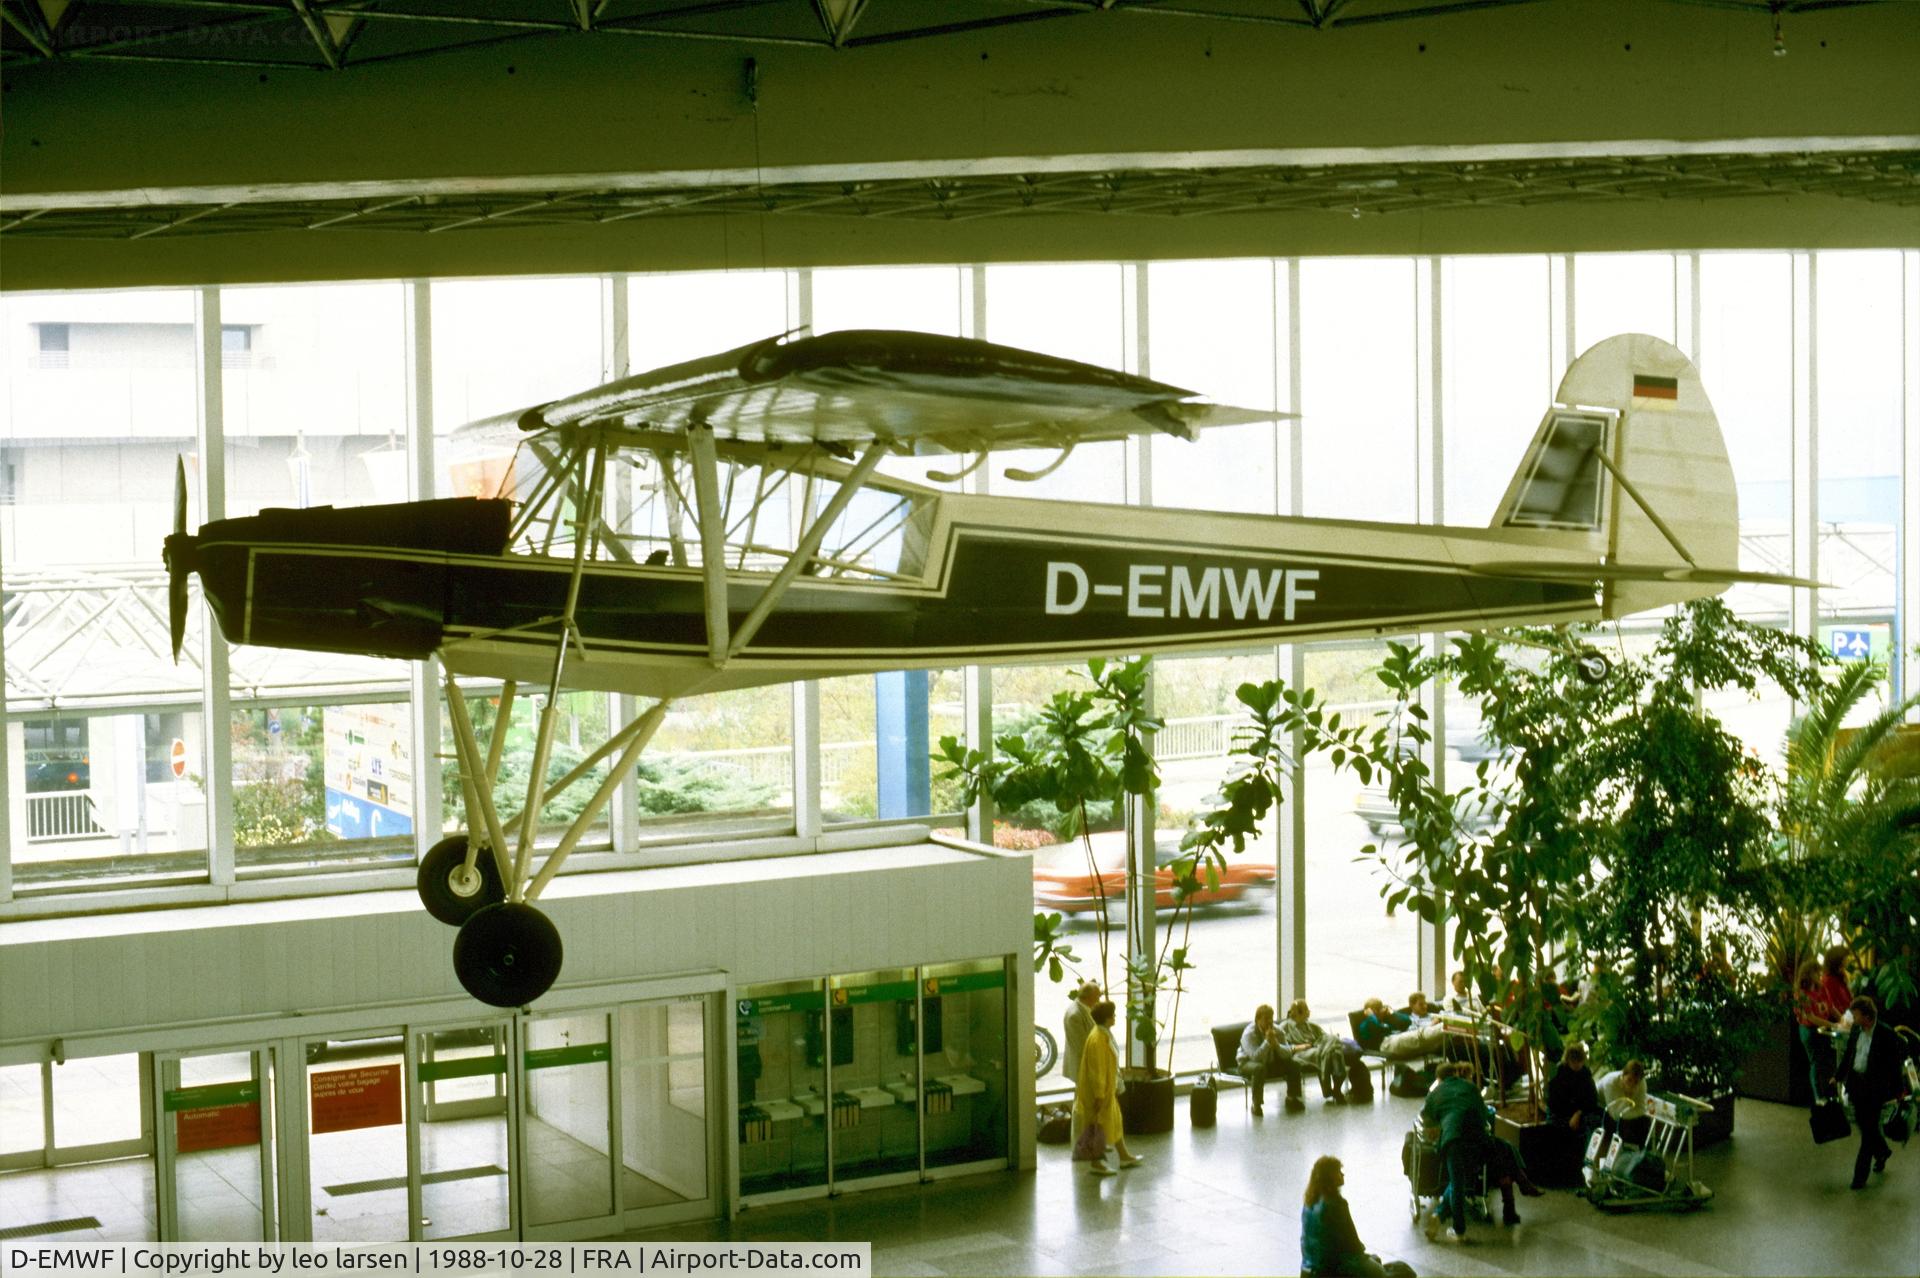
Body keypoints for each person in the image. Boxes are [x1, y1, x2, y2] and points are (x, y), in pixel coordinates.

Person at [1419, 1062, 1519, 1238]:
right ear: (1456, 1073)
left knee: (1456, 1182)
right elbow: (1484, 1114)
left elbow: (1428, 1123)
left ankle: (1457, 1228)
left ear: (1439, 1078)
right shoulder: (1470, 1087)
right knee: (1461, 1180)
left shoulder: (1435, 1094)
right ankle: (1445, 1219)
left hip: (1452, 1139)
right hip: (1476, 1139)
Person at [1834, 995, 1906, 1190]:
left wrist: (1899, 1091)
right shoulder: (1857, 1030)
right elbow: (1849, 1054)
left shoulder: (1886, 1035)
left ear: (1867, 1016)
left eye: (1855, 1015)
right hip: (1857, 1084)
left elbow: (1894, 1066)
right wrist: (1838, 1076)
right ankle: (1882, 1151)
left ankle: (1859, 1177)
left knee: (1867, 1133)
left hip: (1875, 1088)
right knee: (1864, 1123)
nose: (1853, 1019)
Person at [1301, 1156, 1412, 1278]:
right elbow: (1353, 1243)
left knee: (1374, 1261)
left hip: (1309, 1270)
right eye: (1339, 1172)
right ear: (1330, 1177)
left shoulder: (1309, 1202)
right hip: (1335, 1268)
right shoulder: (1336, 1203)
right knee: (1403, 1272)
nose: (1343, 1175)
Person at [1073, 1000, 1142, 1176]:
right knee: (1098, 1126)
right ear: (1107, 1018)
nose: (1115, 1017)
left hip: (1106, 1091)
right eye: (1113, 1015)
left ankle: (1124, 1156)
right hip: (1099, 1093)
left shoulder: (1102, 1035)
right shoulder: (1098, 1039)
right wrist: (1099, 1094)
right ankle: (1097, 1163)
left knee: (1114, 1121)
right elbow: (1098, 1071)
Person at [1240, 1003, 1307, 1114]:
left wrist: (1276, 1045)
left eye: (1271, 1018)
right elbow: (1255, 1057)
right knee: (1258, 1068)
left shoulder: (1278, 1031)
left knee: (1294, 1064)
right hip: (1247, 1063)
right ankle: (1256, 1104)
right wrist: (1267, 1042)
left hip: (1269, 1062)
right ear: (1257, 1019)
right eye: (1266, 1019)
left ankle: (1292, 1098)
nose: (1270, 1022)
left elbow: (1288, 1053)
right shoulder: (1249, 1034)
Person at [1280, 1000, 1350, 1104]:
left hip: (1319, 1049)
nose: (1309, 1012)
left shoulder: (1311, 1025)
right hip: (1301, 1053)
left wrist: (1326, 1042)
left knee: (1334, 1047)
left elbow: (1324, 1037)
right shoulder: (1284, 1027)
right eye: (1306, 1010)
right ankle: (1335, 1091)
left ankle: (1336, 1088)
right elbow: (1284, 1047)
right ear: (1298, 1012)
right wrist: (1302, 1046)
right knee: (1332, 1053)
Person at [1794, 958, 1843, 1101]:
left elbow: (1831, 1007)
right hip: (1809, 1031)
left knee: (1827, 1062)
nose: (1820, 976)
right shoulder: (1801, 994)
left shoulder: (1822, 988)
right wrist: (1832, 1025)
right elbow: (1811, 1017)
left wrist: (1843, 1020)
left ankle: (1829, 1093)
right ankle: (1818, 1096)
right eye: (1818, 973)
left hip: (1823, 1029)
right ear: (1810, 974)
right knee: (1816, 1062)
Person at [1546, 1043, 1603, 1138]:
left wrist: (1579, 1113)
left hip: (1580, 1112)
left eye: (1579, 1061)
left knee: (1596, 1120)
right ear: (1568, 1060)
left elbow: (1592, 1098)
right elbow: (1555, 1102)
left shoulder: (1585, 1074)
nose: (1577, 1064)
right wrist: (1571, 1117)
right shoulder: (1559, 1074)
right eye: (1574, 1061)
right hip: (1561, 1113)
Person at [1596, 1058, 1650, 1146]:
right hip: (1600, 1106)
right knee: (1617, 1124)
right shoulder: (1611, 1082)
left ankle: (1636, 1152)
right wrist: (1628, 1096)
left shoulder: (1642, 1084)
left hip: (1621, 1111)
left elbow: (1641, 1109)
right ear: (1623, 1075)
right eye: (1629, 1080)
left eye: (1636, 1082)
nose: (1632, 1084)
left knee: (1644, 1122)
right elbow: (1615, 1114)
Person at [1062, 980, 1099, 1084]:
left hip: (1087, 1066)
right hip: (1082, 1066)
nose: (1098, 999)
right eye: (1097, 996)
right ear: (1089, 997)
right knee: (1083, 1098)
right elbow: (1082, 1046)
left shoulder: (1084, 1007)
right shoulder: (1075, 1015)